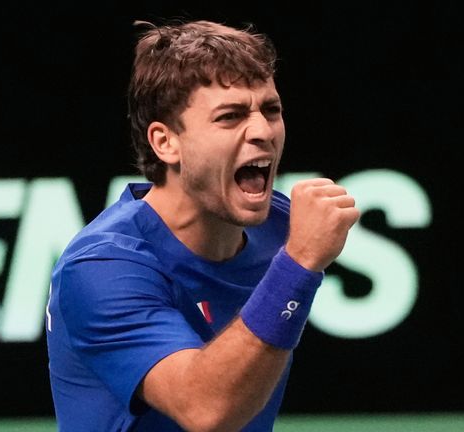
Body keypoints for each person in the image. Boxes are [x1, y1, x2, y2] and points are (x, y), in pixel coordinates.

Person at [46, 19, 359, 431]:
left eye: (271, 110)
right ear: (166, 142)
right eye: (230, 117)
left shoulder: (282, 225)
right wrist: (298, 263)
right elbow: (205, 410)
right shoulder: (101, 268)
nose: (263, 131)